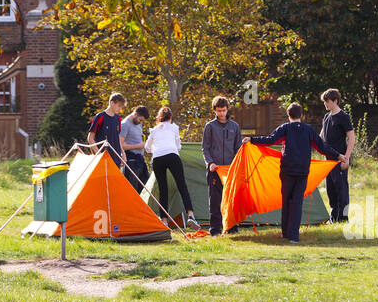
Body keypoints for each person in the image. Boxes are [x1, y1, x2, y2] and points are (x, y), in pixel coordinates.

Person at [250, 103, 345, 244]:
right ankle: (294, 236)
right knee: (297, 202)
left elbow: (270, 140)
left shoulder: (285, 128)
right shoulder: (309, 130)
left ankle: (285, 232)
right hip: (302, 171)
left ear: (288, 115)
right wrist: (338, 155)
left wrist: (252, 140)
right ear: (302, 115)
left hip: (287, 170)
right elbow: (322, 147)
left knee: (286, 200)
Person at [145, 106, 199, 229]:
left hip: (157, 158)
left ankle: (164, 221)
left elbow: (147, 148)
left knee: (163, 190)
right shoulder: (174, 128)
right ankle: (191, 215)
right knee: (182, 186)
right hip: (172, 156)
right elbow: (178, 146)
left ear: (159, 118)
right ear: (170, 118)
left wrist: (156, 148)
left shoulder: (154, 130)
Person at [201, 96, 242, 237]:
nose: (221, 114)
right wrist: (210, 163)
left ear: (227, 109)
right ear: (214, 110)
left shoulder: (235, 126)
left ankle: (231, 227)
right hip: (215, 169)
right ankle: (215, 230)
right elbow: (205, 148)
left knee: (232, 199)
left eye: (223, 110)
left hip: (230, 170)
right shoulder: (210, 126)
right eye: (218, 111)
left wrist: (236, 165)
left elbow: (238, 148)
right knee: (215, 200)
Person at [320, 89, 355, 223]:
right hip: (327, 161)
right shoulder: (326, 117)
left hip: (340, 159)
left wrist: (346, 158)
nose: (326, 104)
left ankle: (343, 218)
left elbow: (351, 138)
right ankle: (333, 217)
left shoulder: (343, 117)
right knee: (330, 190)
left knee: (341, 189)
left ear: (335, 101)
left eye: (327, 102)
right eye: (324, 102)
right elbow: (321, 137)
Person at [86, 92, 126, 167]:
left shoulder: (118, 119)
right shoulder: (100, 117)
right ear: (112, 103)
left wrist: (123, 154)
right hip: (103, 159)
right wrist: (99, 155)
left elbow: (117, 138)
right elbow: (90, 138)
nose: (120, 109)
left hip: (116, 159)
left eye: (121, 107)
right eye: (119, 106)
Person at [118, 105, 151, 194]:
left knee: (146, 188)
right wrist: (138, 146)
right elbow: (120, 145)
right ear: (135, 114)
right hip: (131, 161)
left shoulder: (138, 124)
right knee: (132, 190)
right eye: (140, 120)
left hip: (140, 160)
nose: (141, 123)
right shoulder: (125, 124)